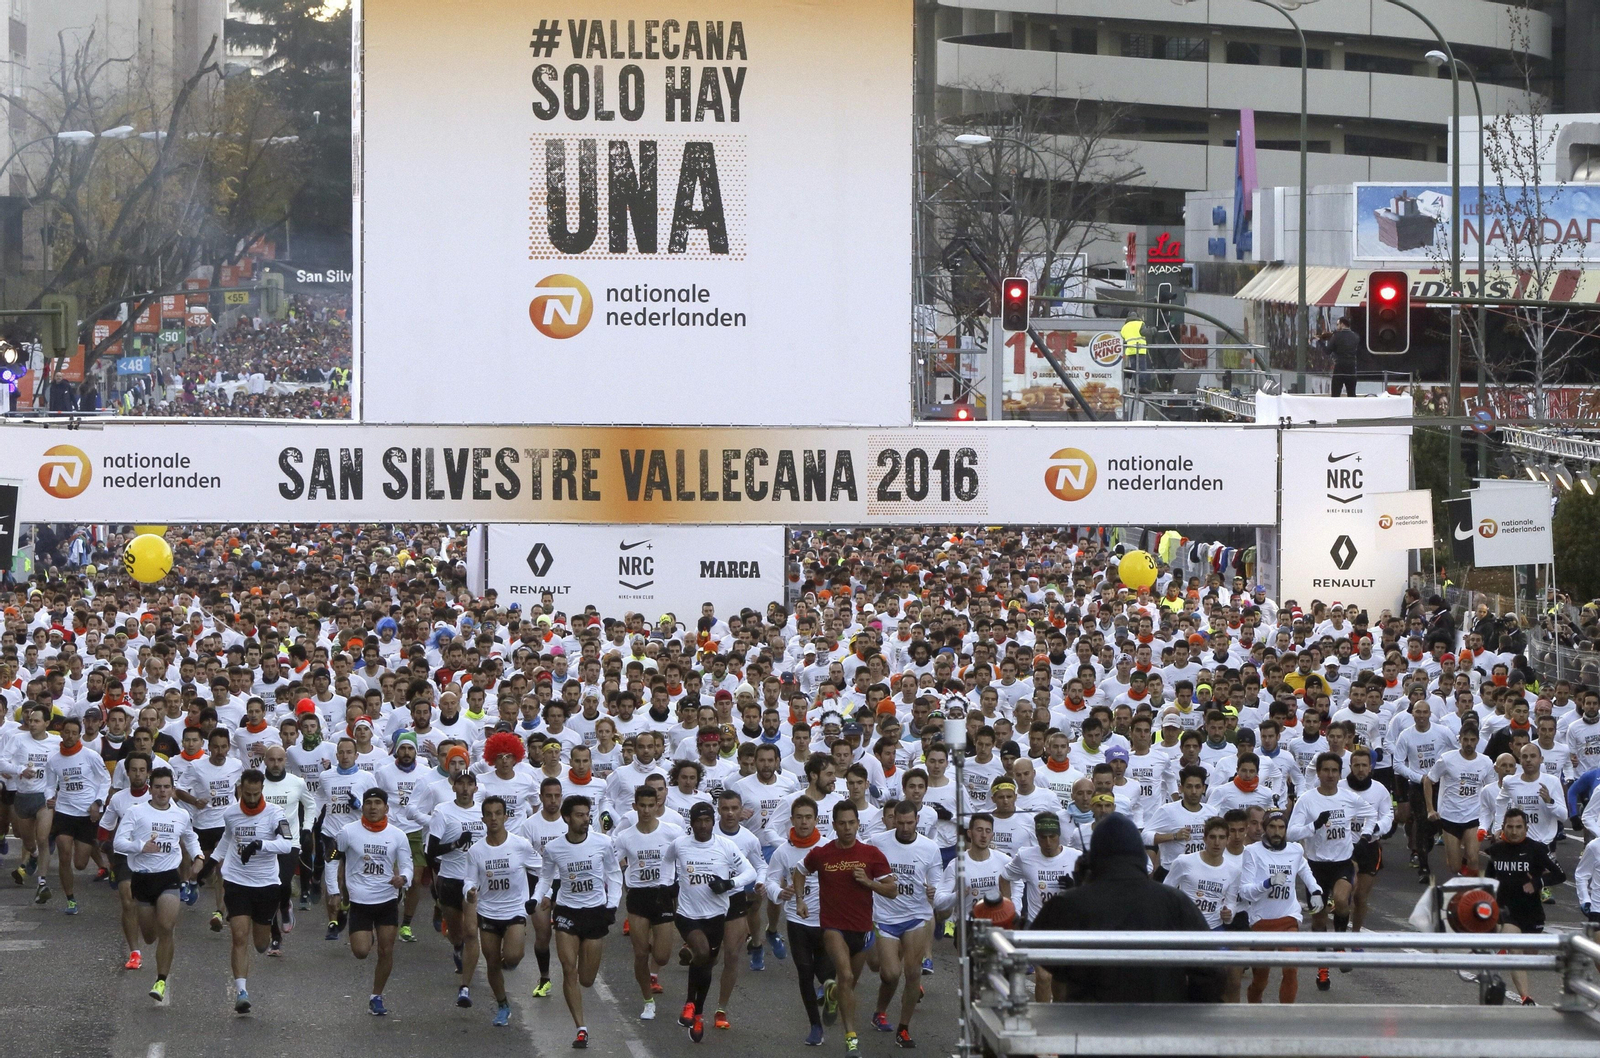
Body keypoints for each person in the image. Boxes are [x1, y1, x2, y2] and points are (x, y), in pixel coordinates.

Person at [1029, 812, 1222, 1003]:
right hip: (1161, 1019)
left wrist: (1083, 885)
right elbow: (1210, 968)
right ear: (1139, 853)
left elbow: (1040, 951)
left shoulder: (1070, 903)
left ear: (1094, 855)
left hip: (1092, 1020)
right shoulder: (1175, 901)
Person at [795, 801, 897, 1056]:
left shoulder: (871, 854)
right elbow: (799, 871)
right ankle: (851, 1037)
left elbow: (892, 890)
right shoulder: (822, 853)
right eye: (842, 823)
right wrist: (799, 899)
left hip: (862, 930)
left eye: (852, 823)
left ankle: (832, 998)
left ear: (858, 824)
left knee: (847, 986)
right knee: (846, 976)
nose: (847, 828)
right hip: (832, 927)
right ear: (834, 825)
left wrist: (868, 882)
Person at [535, 794, 623, 1048]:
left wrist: (612, 906)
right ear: (566, 818)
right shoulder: (554, 848)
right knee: (568, 968)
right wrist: (536, 898)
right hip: (566, 912)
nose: (585, 819)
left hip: (595, 912)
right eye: (579, 815)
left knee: (586, 979)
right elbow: (545, 878)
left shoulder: (603, 843)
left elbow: (615, 875)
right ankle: (581, 1028)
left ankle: (581, 1018)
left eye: (587, 815)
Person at [113, 766, 203, 1003]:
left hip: (168, 877)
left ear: (173, 790)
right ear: (150, 789)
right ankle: (151, 955)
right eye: (158, 787)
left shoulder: (181, 815)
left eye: (167, 787)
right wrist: (140, 846)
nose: (163, 792)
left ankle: (161, 979)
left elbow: (190, 837)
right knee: (150, 935)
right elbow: (118, 843)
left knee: (166, 925)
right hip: (142, 878)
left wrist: (199, 857)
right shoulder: (136, 812)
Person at [1288, 752, 1377, 991]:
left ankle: (1339, 943)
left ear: (1340, 773)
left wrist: (1365, 835)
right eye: (1325, 770)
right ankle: (1323, 967)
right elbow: (1290, 833)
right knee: (1318, 918)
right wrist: (1314, 826)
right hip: (1315, 867)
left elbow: (1371, 814)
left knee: (1341, 900)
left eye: (1334, 771)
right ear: (1318, 773)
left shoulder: (1349, 798)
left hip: (1342, 863)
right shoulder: (1307, 800)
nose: (1329, 775)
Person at [673, 800, 758, 1043]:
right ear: (691, 823)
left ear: (713, 821)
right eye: (698, 821)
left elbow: (750, 872)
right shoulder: (680, 844)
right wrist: (668, 886)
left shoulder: (725, 845)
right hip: (688, 914)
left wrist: (729, 884)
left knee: (706, 964)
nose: (703, 825)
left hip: (716, 916)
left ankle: (696, 1012)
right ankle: (690, 1002)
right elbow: (667, 863)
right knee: (700, 951)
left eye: (707, 820)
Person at [215, 768, 296, 1013]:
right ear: (240, 789)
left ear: (262, 789)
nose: (251, 799)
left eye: (255, 794)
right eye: (247, 794)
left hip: (266, 884)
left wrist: (260, 844)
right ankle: (241, 992)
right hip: (237, 881)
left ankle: (278, 912)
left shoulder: (275, 814)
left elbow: (286, 844)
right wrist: (209, 862)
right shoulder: (230, 813)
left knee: (260, 944)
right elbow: (228, 839)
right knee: (239, 936)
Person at [867, 799, 943, 1047]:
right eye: (900, 823)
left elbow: (938, 882)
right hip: (886, 917)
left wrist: (935, 892)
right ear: (893, 821)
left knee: (913, 973)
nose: (905, 828)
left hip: (916, 916)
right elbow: (866, 872)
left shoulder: (930, 848)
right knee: (889, 973)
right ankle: (880, 1011)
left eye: (910, 823)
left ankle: (904, 1028)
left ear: (917, 821)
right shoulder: (879, 843)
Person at [463, 795, 540, 1027]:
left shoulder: (520, 845)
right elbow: (469, 879)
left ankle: (513, 950)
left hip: (515, 909)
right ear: (483, 818)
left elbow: (542, 869)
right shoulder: (476, 851)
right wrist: (470, 892)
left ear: (506, 816)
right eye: (489, 814)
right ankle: (502, 1004)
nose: (494, 818)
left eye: (498, 813)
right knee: (492, 962)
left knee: (514, 956)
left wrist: (541, 895)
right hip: (488, 911)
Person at [335, 788, 412, 1016]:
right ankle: (358, 928)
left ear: (386, 808)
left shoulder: (398, 835)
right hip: (360, 900)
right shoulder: (348, 832)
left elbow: (407, 865)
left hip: (386, 898)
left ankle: (376, 996)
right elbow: (333, 856)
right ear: (363, 806)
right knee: (360, 951)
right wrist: (334, 889)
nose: (373, 807)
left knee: (386, 950)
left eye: (378, 803)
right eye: (368, 802)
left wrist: (404, 878)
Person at [1481, 808, 1566, 1005]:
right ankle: (1526, 998)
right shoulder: (1495, 850)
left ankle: (1501, 952)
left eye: (1519, 827)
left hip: (1531, 913)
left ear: (1526, 828)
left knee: (1527, 959)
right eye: (1509, 827)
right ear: (1503, 828)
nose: (1514, 831)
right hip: (1505, 912)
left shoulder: (1537, 849)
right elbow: (1488, 880)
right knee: (1515, 949)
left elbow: (1560, 875)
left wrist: (1538, 883)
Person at [1236, 810, 1323, 1004]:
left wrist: (1316, 890)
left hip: (1288, 918)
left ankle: (1285, 1015)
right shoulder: (1252, 851)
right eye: (1272, 827)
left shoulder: (1295, 850)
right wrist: (1267, 883)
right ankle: (1255, 1009)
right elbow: (1245, 891)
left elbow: (1304, 870)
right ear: (1265, 828)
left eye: (1281, 827)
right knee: (1260, 980)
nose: (1277, 832)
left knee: (1291, 969)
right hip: (1261, 921)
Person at [765, 795, 831, 1046]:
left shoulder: (828, 847)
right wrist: (778, 893)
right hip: (797, 919)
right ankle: (815, 1025)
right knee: (805, 972)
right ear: (791, 820)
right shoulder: (783, 851)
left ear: (816, 819)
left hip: (825, 920)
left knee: (825, 972)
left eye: (808, 817)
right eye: (799, 817)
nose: (804, 822)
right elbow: (771, 879)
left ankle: (832, 993)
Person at [615, 782, 683, 1021]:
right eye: (641, 806)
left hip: (663, 895)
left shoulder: (672, 832)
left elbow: (684, 859)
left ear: (658, 805)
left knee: (662, 955)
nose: (645, 810)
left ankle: (656, 962)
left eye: (650, 806)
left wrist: (680, 885)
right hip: (638, 896)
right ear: (635, 806)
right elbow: (612, 865)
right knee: (641, 953)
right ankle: (647, 1000)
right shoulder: (625, 836)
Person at [426, 768, 488, 1006]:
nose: (464, 788)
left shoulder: (483, 812)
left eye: (469, 783)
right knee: (457, 932)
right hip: (450, 878)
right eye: (460, 783)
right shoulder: (443, 811)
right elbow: (432, 850)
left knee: (472, 931)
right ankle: (457, 946)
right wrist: (455, 844)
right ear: (453, 787)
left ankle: (465, 985)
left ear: (475, 787)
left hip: (473, 880)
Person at [41, 715, 111, 915]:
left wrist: (98, 803)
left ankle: (104, 864)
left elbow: (105, 780)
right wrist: (50, 797)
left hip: (86, 814)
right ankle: (70, 899)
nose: (70, 736)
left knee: (80, 864)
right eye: (67, 732)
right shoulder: (54, 760)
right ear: (61, 733)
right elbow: (48, 785)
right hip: (64, 811)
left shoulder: (90, 756)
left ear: (79, 735)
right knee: (64, 851)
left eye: (74, 733)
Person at [1424, 723, 1496, 879]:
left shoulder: (1486, 762)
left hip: (1474, 815)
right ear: (1460, 740)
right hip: (1450, 816)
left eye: (1472, 740)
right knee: (1454, 866)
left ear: (1477, 741)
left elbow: (1491, 789)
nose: (1469, 744)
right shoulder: (1447, 759)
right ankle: (1461, 866)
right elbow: (1429, 780)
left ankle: (1472, 892)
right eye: (1465, 740)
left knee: (1473, 857)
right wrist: (1430, 809)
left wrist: (1494, 818)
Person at [1317, 317, 1361, 397]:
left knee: (1335, 393)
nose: (1337, 327)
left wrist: (1320, 342)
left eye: (1338, 324)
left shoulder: (1336, 336)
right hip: (1351, 367)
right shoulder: (1356, 336)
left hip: (1340, 366)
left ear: (1342, 324)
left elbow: (1327, 351)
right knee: (1351, 393)